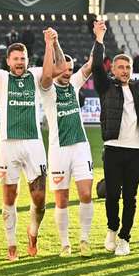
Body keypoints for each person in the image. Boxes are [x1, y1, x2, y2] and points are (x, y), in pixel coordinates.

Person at [92, 22, 139, 256]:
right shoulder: (106, 86)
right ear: (113, 69)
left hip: (135, 151)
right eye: (120, 67)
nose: (124, 71)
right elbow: (96, 66)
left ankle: (124, 237)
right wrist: (99, 39)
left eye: (128, 67)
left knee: (130, 198)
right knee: (112, 195)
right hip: (113, 148)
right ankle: (112, 229)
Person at [0, 27, 48, 261]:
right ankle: (11, 245)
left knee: (40, 199)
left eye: (23, 58)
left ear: (28, 60)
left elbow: (54, 70)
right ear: (8, 61)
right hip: (8, 145)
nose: (20, 62)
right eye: (16, 59)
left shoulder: (35, 75)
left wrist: (51, 43)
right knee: (9, 196)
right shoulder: (2, 78)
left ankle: (32, 232)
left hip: (34, 143)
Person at [39, 27, 95, 257]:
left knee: (86, 194)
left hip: (80, 147)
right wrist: (53, 43)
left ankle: (84, 240)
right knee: (61, 200)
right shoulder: (47, 90)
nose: (67, 73)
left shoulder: (74, 85)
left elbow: (91, 64)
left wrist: (99, 38)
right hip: (58, 150)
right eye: (64, 69)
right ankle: (65, 244)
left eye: (71, 70)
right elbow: (48, 76)